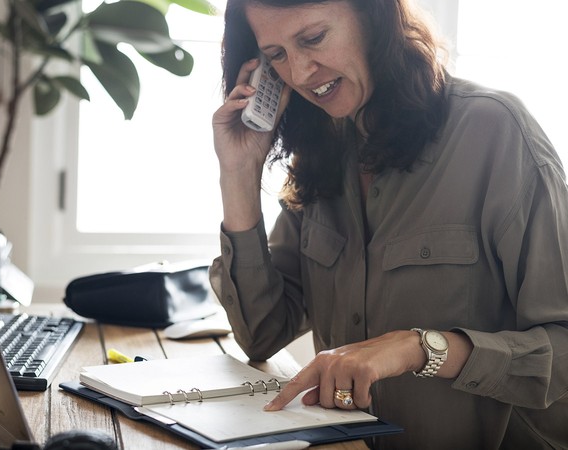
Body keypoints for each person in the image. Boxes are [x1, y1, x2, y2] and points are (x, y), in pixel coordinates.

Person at [209, 0, 568, 448]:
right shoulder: (323, 151)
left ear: (373, 17)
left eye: (313, 38)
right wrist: (239, 173)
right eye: (277, 54)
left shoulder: (495, 132)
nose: (299, 73)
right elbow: (261, 335)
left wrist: (419, 347)